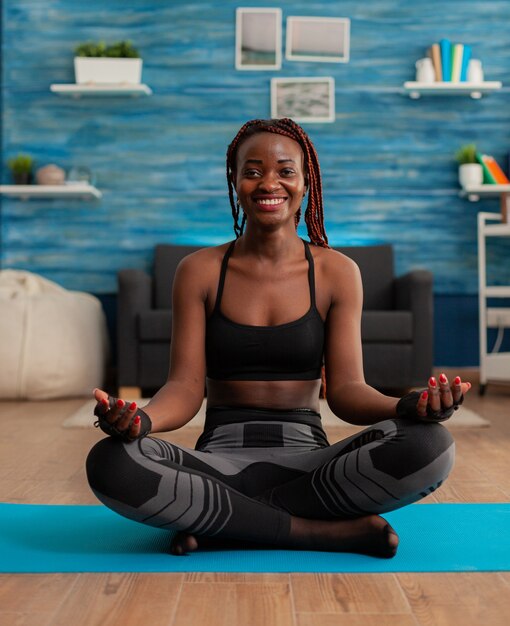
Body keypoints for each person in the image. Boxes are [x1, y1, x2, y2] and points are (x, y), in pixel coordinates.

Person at [86, 118, 470, 558]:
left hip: (310, 465)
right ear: (235, 181)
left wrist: (410, 406)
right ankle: (318, 532)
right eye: (252, 171)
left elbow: (346, 392)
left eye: (285, 171)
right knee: (111, 461)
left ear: (307, 183)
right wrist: (142, 422)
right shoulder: (199, 270)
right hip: (217, 464)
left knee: (430, 445)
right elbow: (185, 388)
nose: (269, 183)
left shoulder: (337, 272)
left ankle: (226, 524)